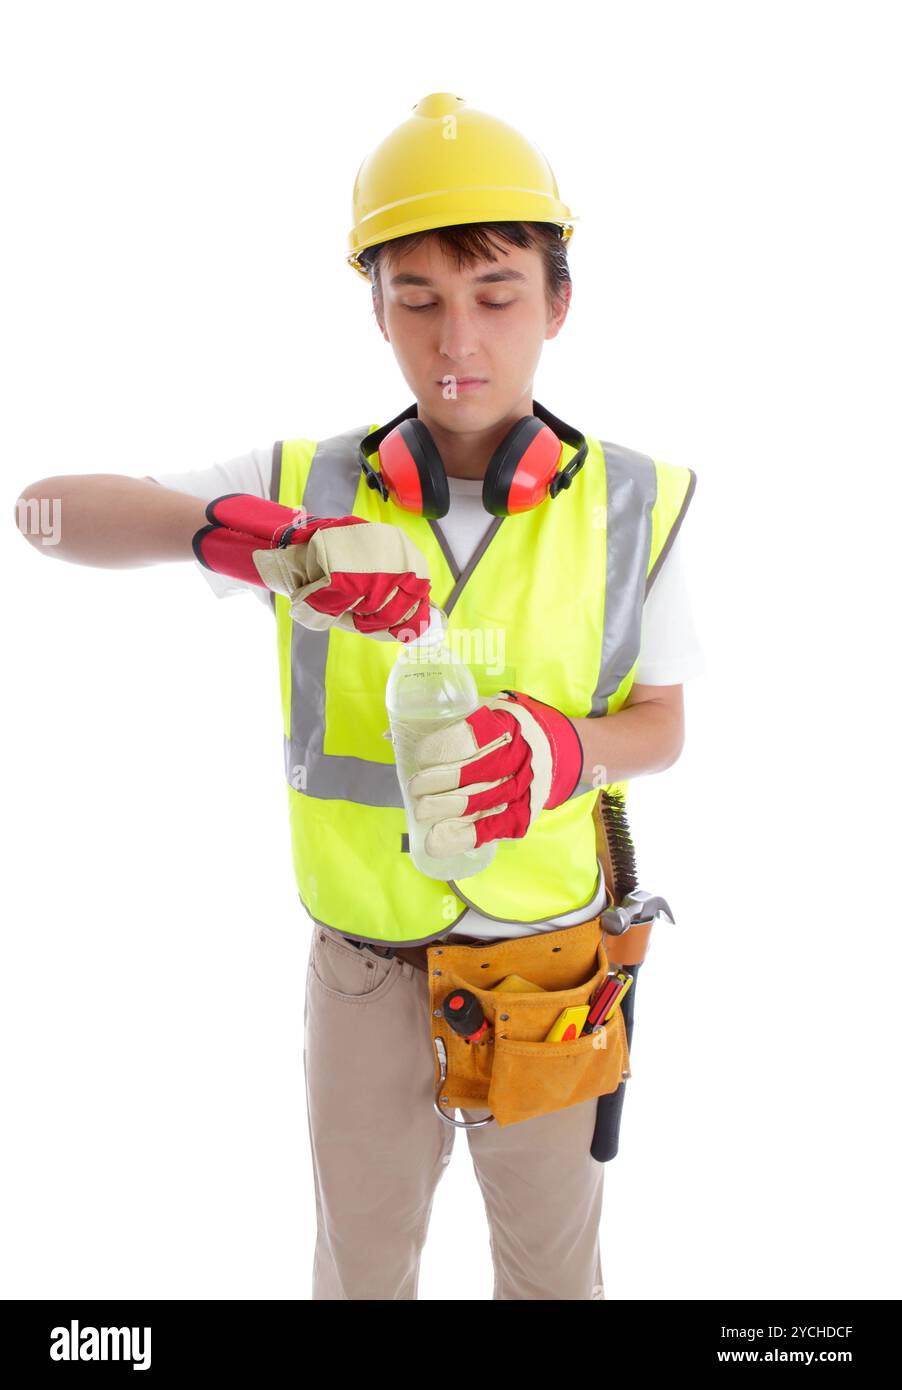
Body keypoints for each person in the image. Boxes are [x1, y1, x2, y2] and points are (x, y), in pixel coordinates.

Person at [14, 93, 704, 1300]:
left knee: (554, 1277)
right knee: (359, 1273)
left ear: (557, 302)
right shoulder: (307, 486)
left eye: (494, 297)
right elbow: (43, 514)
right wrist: (251, 540)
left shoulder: (636, 502)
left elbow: (662, 726)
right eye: (416, 299)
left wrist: (561, 751)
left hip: (547, 969)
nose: (457, 343)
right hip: (360, 971)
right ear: (374, 304)